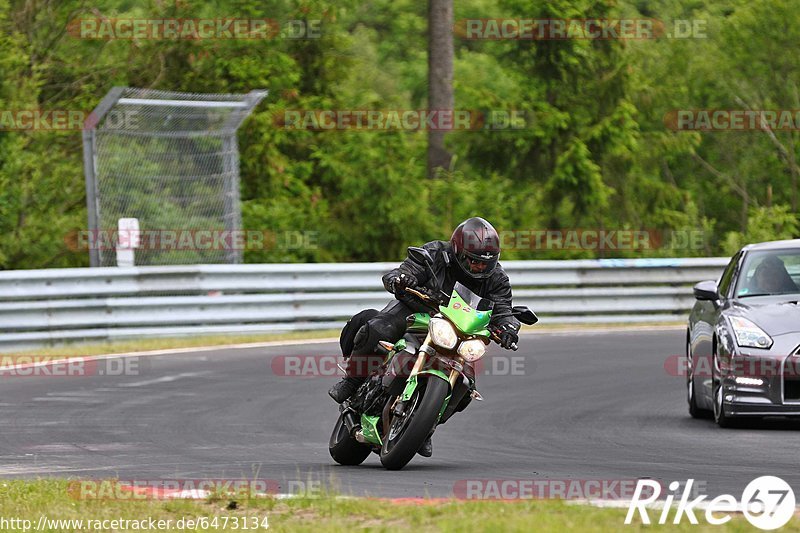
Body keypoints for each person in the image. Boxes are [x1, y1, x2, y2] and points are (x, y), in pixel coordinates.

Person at [328, 217, 522, 457]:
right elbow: (407, 269)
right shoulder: (436, 253)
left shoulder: (497, 279)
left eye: (485, 263)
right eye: (473, 262)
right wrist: (401, 278)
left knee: (466, 384)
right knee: (378, 328)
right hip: (417, 310)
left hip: (459, 331)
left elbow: (503, 308)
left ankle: (424, 426)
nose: (479, 268)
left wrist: (509, 328)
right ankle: (353, 381)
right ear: (458, 251)